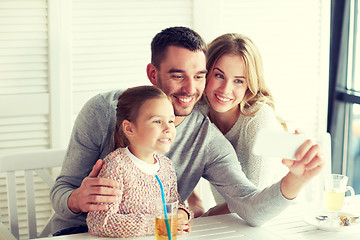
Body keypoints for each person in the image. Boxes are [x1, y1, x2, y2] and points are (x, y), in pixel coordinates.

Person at [50, 26, 325, 236]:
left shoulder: (206, 138)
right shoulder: (104, 110)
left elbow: (250, 208)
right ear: (152, 73)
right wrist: (76, 199)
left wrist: (296, 179)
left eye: (199, 75)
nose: (190, 89)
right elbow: (61, 193)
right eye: (177, 75)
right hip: (74, 234)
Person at [194, 33, 289, 215]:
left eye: (238, 80)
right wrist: (195, 202)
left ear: (249, 84)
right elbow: (175, 163)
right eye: (219, 75)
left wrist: (204, 218)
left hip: (273, 220)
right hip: (231, 222)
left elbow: (254, 202)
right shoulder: (198, 111)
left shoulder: (260, 118)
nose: (225, 89)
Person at [85, 86, 190, 237]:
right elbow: (100, 223)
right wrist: (156, 224)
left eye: (171, 121)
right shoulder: (116, 166)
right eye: (157, 121)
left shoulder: (166, 166)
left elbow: (174, 204)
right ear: (129, 128)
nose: (168, 128)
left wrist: (182, 215)